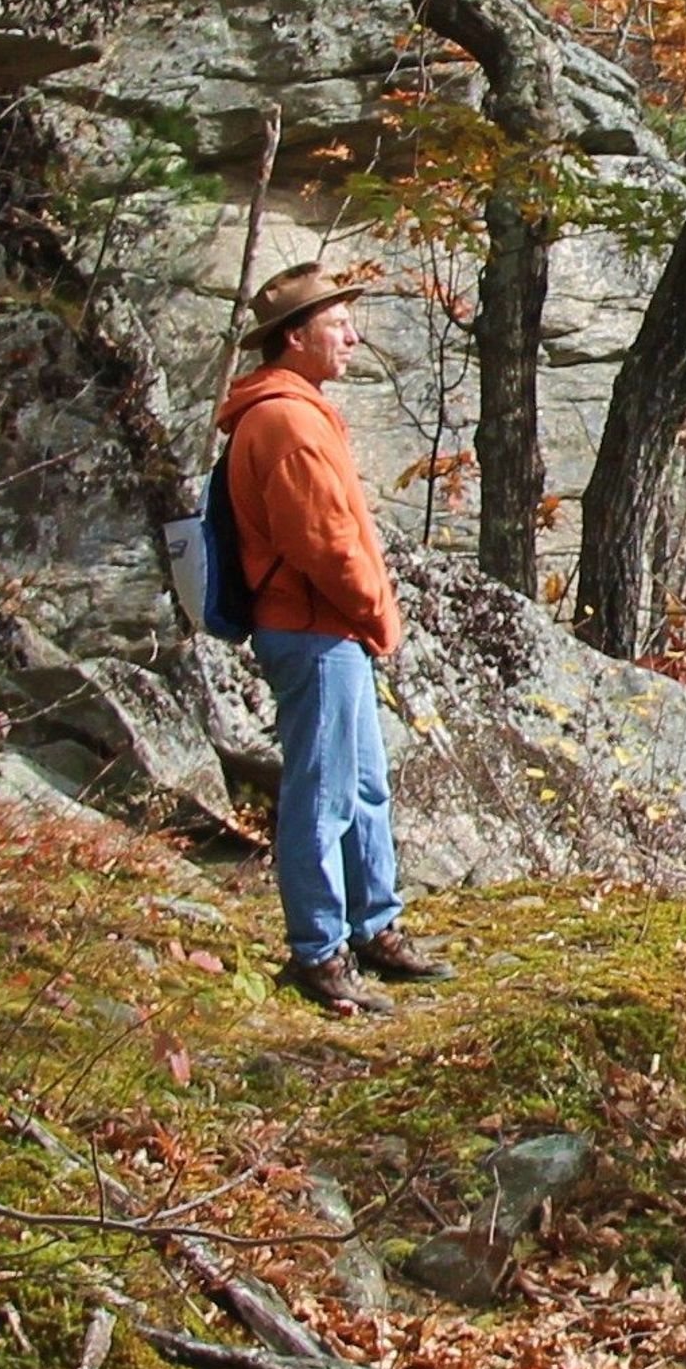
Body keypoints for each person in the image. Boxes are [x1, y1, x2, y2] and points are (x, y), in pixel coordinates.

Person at [215, 263, 454, 1017]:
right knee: (322, 795)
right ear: (295, 336)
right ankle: (319, 950)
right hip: (314, 632)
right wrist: (380, 616)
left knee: (362, 785)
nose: (352, 335)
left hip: (328, 631)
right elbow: (326, 544)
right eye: (337, 323)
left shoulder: (302, 410)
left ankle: (374, 926)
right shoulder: (285, 421)